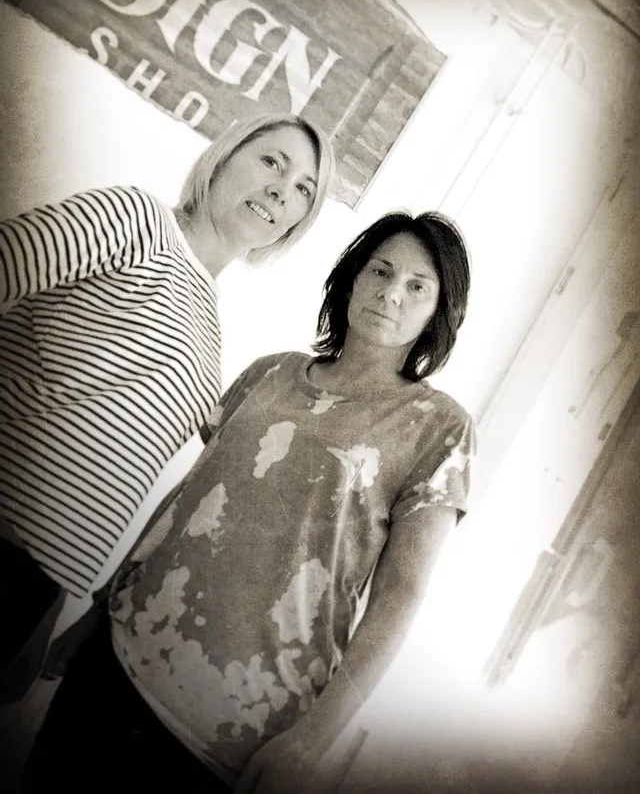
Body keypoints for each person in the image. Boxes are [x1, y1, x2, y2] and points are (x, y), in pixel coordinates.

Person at [22, 210, 476, 794]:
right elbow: (191, 499)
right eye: (380, 271)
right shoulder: (271, 372)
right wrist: (95, 611)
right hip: (116, 659)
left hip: (230, 730)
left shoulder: (439, 429)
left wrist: (313, 742)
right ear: (353, 277)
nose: (391, 294)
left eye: (417, 287)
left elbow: (402, 593)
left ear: (440, 311)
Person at [0, 112, 334, 701]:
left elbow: (114, 477)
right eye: (272, 161)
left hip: (30, 584)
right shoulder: (134, 219)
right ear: (225, 155)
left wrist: (49, 609)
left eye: (305, 188)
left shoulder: (211, 332)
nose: (285, 189)